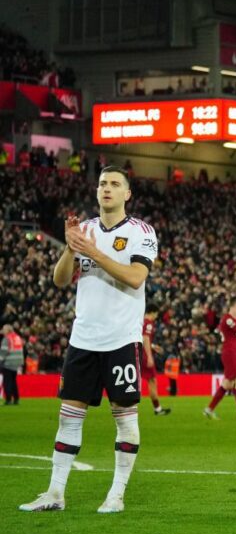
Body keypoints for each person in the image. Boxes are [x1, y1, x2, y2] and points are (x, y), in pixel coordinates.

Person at [20, 165, 158, 513]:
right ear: (96, 192)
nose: (106, 189)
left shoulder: (142, 233)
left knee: (125, 418)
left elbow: (135, 278)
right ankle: (54, 493)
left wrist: (93, 252)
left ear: (127, 194)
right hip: (83, 338)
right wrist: (70, 249)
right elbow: (60, 280)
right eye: (102, 184)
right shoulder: (83, 230)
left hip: (121, 339)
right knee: (69, 416)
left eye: (114, 184)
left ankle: (116, 495)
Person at [203, 298, 236, 420]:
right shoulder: (227, 319)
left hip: (234, 353)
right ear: (235, 306)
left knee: (227, 384)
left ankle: (209, 409)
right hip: (230, 353)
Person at [139, 305, 171, 416]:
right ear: (153, 312)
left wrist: (153, 346)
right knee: (152, 381)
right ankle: (157, 409)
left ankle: (157, 408)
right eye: (156, 314)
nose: (156, 317)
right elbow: (145, 338)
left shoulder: (141, 321)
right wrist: (149, 356)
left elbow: (141, 338)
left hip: (139, 353)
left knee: (149, 380)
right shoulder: (148, 323)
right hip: (144, 355)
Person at [2, 324, 24, 405]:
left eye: (4, 329)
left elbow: (3, 352)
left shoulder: (7, 338)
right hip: (17, 363)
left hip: (8, 362)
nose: (2, 330)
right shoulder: (17, 337)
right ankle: (16, 399)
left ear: (8, 330)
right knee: (13, 381)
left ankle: (8, 399)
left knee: (7, 382)